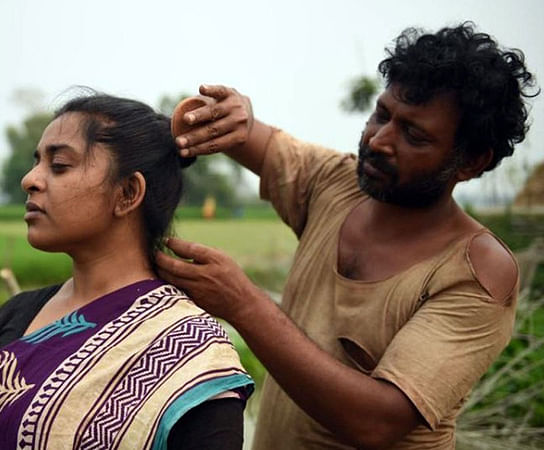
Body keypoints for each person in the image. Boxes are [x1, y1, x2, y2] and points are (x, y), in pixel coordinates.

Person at [156, 22, 538, 449]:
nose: (379, 140)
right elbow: (248, 134)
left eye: (414, 135)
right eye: (382, 114)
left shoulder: (477, 272)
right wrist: (230, 112)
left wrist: (243, 304)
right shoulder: (335, 182)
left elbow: (376, 423)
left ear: (471, 162)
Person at [0, 93, 254, 450]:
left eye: (59, 165)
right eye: (37, 163)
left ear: (127, 193)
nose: (30, 179)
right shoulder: (15, 316)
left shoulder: (194, 352)